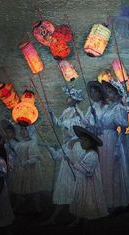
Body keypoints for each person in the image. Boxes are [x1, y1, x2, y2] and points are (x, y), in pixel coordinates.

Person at [41, 86, 85, 225]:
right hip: (67, 146)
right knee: (64, 181)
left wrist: (71, 136)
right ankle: (55, 217)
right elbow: (59, 124)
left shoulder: (79, 114)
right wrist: (52, 114)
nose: (67, 99)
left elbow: (79, 131)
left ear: (75, 100)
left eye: (69, 97)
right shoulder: (67, 111)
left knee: (74, 180)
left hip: (75, 148)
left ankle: (78, 217)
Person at [96, 80, 129, 211]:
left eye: (110, 91)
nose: (107, 94)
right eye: (106, 91)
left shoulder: (119, 107)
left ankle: (119, 201)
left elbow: (122, 125)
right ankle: (108, 201)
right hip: (104, 140)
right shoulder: (109, 107)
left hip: (113, 139)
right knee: (106, 169)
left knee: (114, 169)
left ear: (116, 93)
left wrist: (118, 145)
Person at [68, 125, 108, 226]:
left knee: (88, 200)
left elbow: (88, 171)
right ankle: (78, 219)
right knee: (81, 200)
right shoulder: (86, 153)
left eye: (84, 141)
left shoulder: (92, 155)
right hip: (83, 183)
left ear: (90, 143)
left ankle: (87, 220)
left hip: (90, 185)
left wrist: (73, 163)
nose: (81, 142)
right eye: (81, 140)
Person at [10, 125, 43, 214]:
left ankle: (38, 209)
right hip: (20, 170)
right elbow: (16, 155)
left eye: (25, 129)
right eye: (21, 129)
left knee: (34, 191)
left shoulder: (32, 143)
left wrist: (27, 162)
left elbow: (37, 157)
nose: (23, 131)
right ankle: (18, 205)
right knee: (19, 190)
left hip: (30, 170)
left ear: (29, 131)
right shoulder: (19, 143)